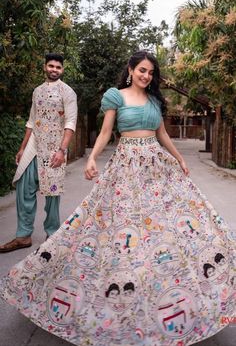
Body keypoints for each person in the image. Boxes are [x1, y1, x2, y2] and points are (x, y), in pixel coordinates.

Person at [0, 50, 235, 346]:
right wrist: (92, 159)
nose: (146, 76)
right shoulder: (116, 96)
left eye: (150, 72)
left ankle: (165, 292)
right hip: (126, 166)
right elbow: (105, 132)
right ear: (131, 69)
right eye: (142, 71)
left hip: (156, 167)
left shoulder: (153, 101)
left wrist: (179, 159)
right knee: (118, 227)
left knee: (169, 226)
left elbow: (162, 133)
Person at [0, 53, 78, 253]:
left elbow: (70, 123)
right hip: (34, 146)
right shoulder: (37, 91)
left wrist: (62, 150)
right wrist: (22, 147)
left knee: (52, 194)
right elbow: (31, 120)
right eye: (51, 66)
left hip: (54, 149)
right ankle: (23, 235)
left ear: (62, 70)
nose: (54, 69)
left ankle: (52, 235)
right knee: (24, 189)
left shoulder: (67, 92)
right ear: (45, 67)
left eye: (58, 67)